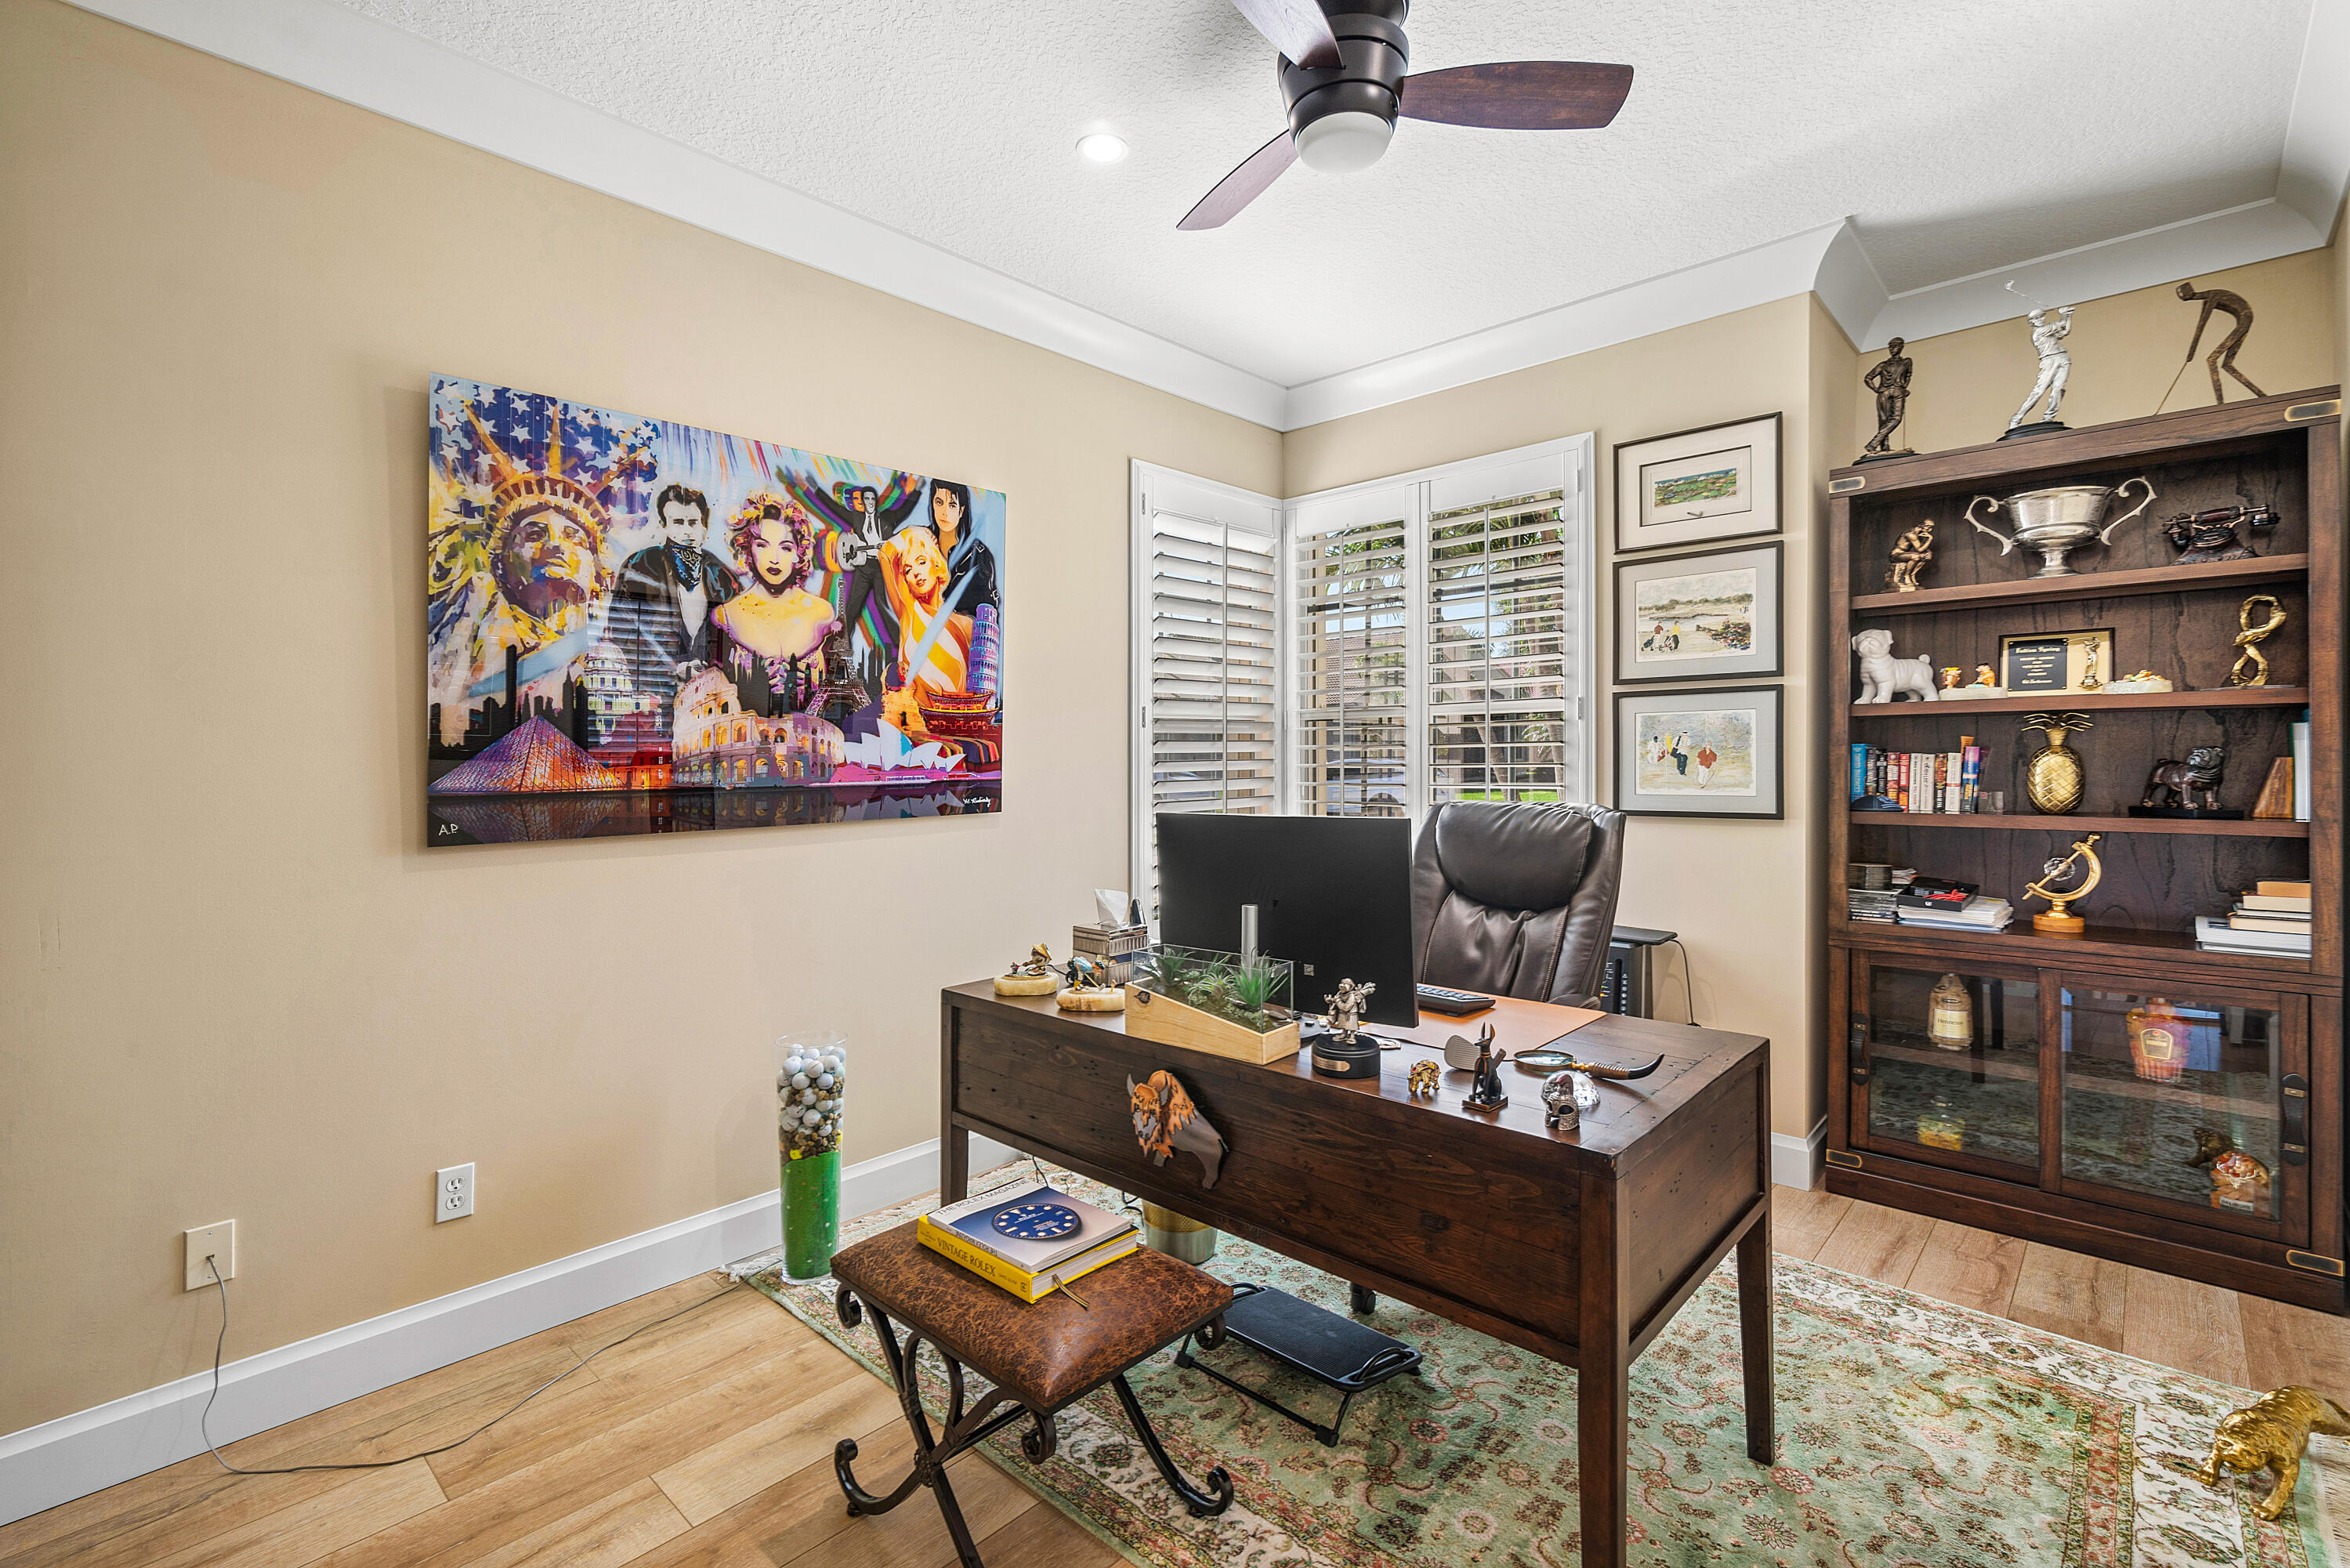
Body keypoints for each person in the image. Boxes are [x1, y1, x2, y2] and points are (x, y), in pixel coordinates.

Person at [609, 483, 740, 707]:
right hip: (655, 698)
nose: (687, 531)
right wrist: (670, 670)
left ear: (704, 527)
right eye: (678, 523)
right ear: (664, 526)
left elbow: (737, 639)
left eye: (693, 522)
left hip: (711, 702)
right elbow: (622, 635)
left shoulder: (721, 575)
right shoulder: (639, 567)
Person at [708, 493, 838, 717]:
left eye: (786, 548)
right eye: (763, 546)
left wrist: (815, 684)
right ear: (748, 549)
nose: (774, 559)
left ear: (799, 553)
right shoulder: (726, 617)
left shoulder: (823, 614)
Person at [923, 479, 999, 619]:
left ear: (961, 510)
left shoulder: (979, 556)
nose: (945, 512)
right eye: (939, 503)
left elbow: (988, 611)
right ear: (932, 504)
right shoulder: (919, 541)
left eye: (952, 505)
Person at [2008, 306, 2074, 430]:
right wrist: (2064, 314)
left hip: (2063, 358)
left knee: (2058, 389)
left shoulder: (2048, 330)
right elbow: (2062, 323)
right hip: (2049, 361)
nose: (2039, 319)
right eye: (2036, 318)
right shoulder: (2039, 332)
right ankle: (2016, 419)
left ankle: (2049, 417)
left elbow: (2065, 331)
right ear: (2032, 322)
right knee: (2039, 391)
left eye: (2041, 316)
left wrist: (2069, 316)